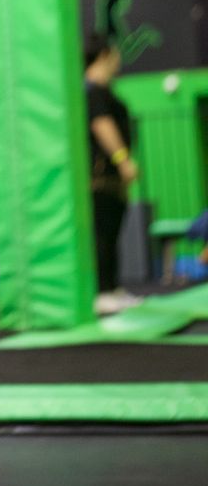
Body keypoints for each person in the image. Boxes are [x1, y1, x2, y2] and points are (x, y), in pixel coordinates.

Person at [84, 33, 140, 314]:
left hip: (112, 180)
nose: (119, 58)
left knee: (113, 230)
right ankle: (102, 292)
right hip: (100, 178)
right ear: (105, 54)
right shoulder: (91, 91)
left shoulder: (105, 91)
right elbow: (101, 125)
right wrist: (122, 159)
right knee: (102, 233)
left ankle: (112, 288)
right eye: (115, 53)